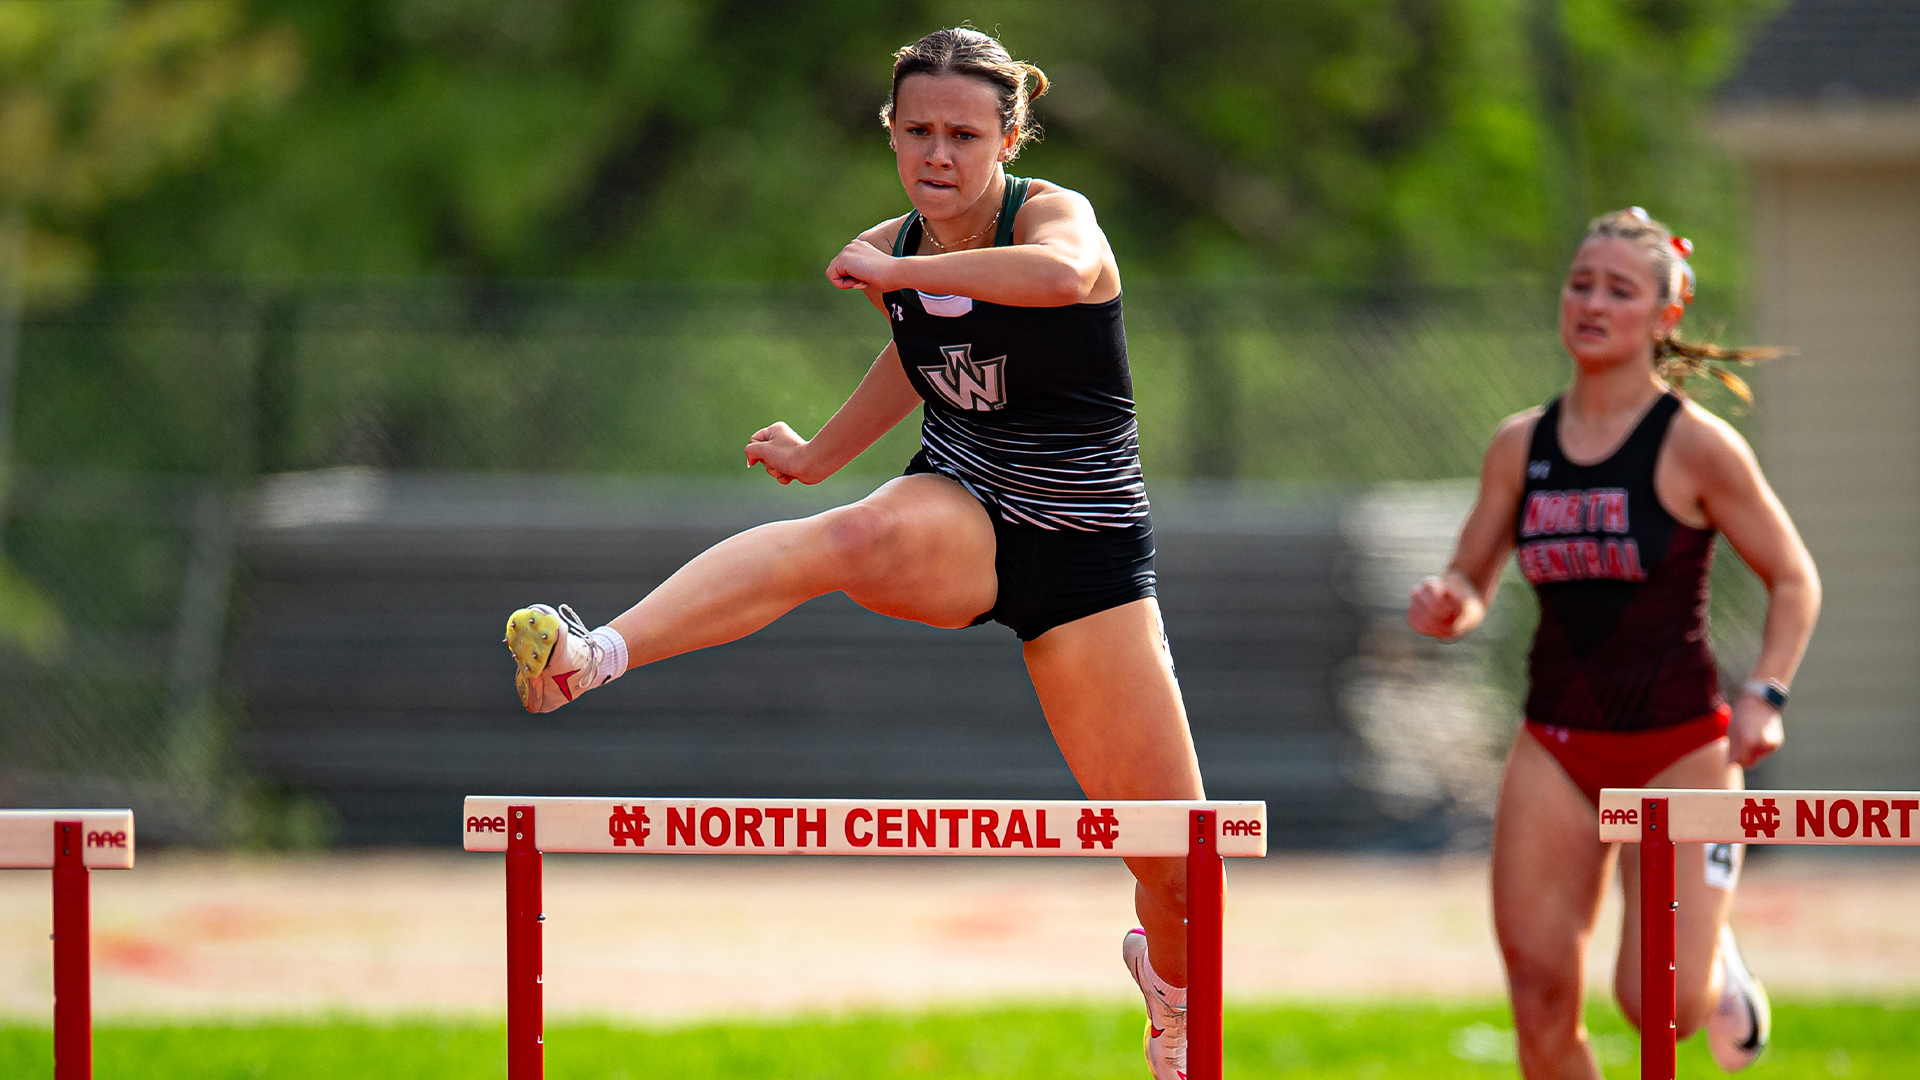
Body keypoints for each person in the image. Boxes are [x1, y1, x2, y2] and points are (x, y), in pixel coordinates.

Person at [503, 27, 1201, 1080]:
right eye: (917, 130)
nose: (938, 154)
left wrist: (894, 270)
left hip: (1090, 559)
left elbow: (1064, 279)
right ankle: (593, 652)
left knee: (1181, 867)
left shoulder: (1048, 217)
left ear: (1009, 137)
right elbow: (918, 352)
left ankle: (1175, 992)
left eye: (965, 134)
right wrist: (821, 454)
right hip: (961, 511)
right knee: (851, 536)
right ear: (890, 131)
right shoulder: (896, 256)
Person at [1406, 208, 1819, 1077]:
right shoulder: (1520, 444)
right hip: (1557, 743)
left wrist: (1766, 696)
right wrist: (1450, 601)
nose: (1591, 302)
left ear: (1664, 317)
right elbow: (1472, 580)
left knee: (1659, 1008)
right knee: (1539, 994)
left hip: (1681, 746)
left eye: (1619, 290)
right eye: (1580, 282)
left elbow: (1793, 577)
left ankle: (1715, 961)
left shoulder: (1698, 447)